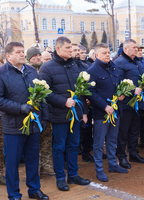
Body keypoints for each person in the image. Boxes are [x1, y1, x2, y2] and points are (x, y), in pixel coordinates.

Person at [39, 36, 90, 191]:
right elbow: (44, 92)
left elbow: (80, 92)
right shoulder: (46, 68)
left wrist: (83, 112)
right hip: (59, 114)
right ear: (58, 49)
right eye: (68, 48)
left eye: (72, 48)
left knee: (74, 145)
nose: (71, 51)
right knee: (59, 147)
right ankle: (60, 177)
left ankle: (73, 175)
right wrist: (63, 102)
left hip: (75, 115)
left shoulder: (75, 66)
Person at [0, 42, 49, 200]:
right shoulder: (2, 73)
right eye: (18, 52)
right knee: (13, 163)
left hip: (33, 125)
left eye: (23, 51)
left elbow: (40, 95)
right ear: (9, 56)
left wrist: (44, 116)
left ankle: (34, 189)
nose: (23, 54)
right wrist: (20, 108)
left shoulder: (30, 70)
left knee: (33, 158)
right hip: (13, 126)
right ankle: (14, 194)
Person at [87, 43, 128, 182]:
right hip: (101, 114)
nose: (107, 55)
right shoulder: (92, 71)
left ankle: (113, 165)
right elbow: (90, 93)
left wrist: (122, 95)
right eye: (104, 53)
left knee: (112, 140)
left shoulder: (113, 66)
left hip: (115, 111)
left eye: (108, 52)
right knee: (98, 143)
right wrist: (105, 106)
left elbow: (118, 84)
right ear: (96, 55)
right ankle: (99, 170)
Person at [114, 39, 144, 169]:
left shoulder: (138, 62)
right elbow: (117, 83)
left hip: (137, 103)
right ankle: (121, 156)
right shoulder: (119, 63)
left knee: (134, 130)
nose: (136, 49)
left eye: (137, 48)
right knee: (123, 131)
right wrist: (132, 90)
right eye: (133, 47)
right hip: (125, 104)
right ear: (125, 49)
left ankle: (133, 153)